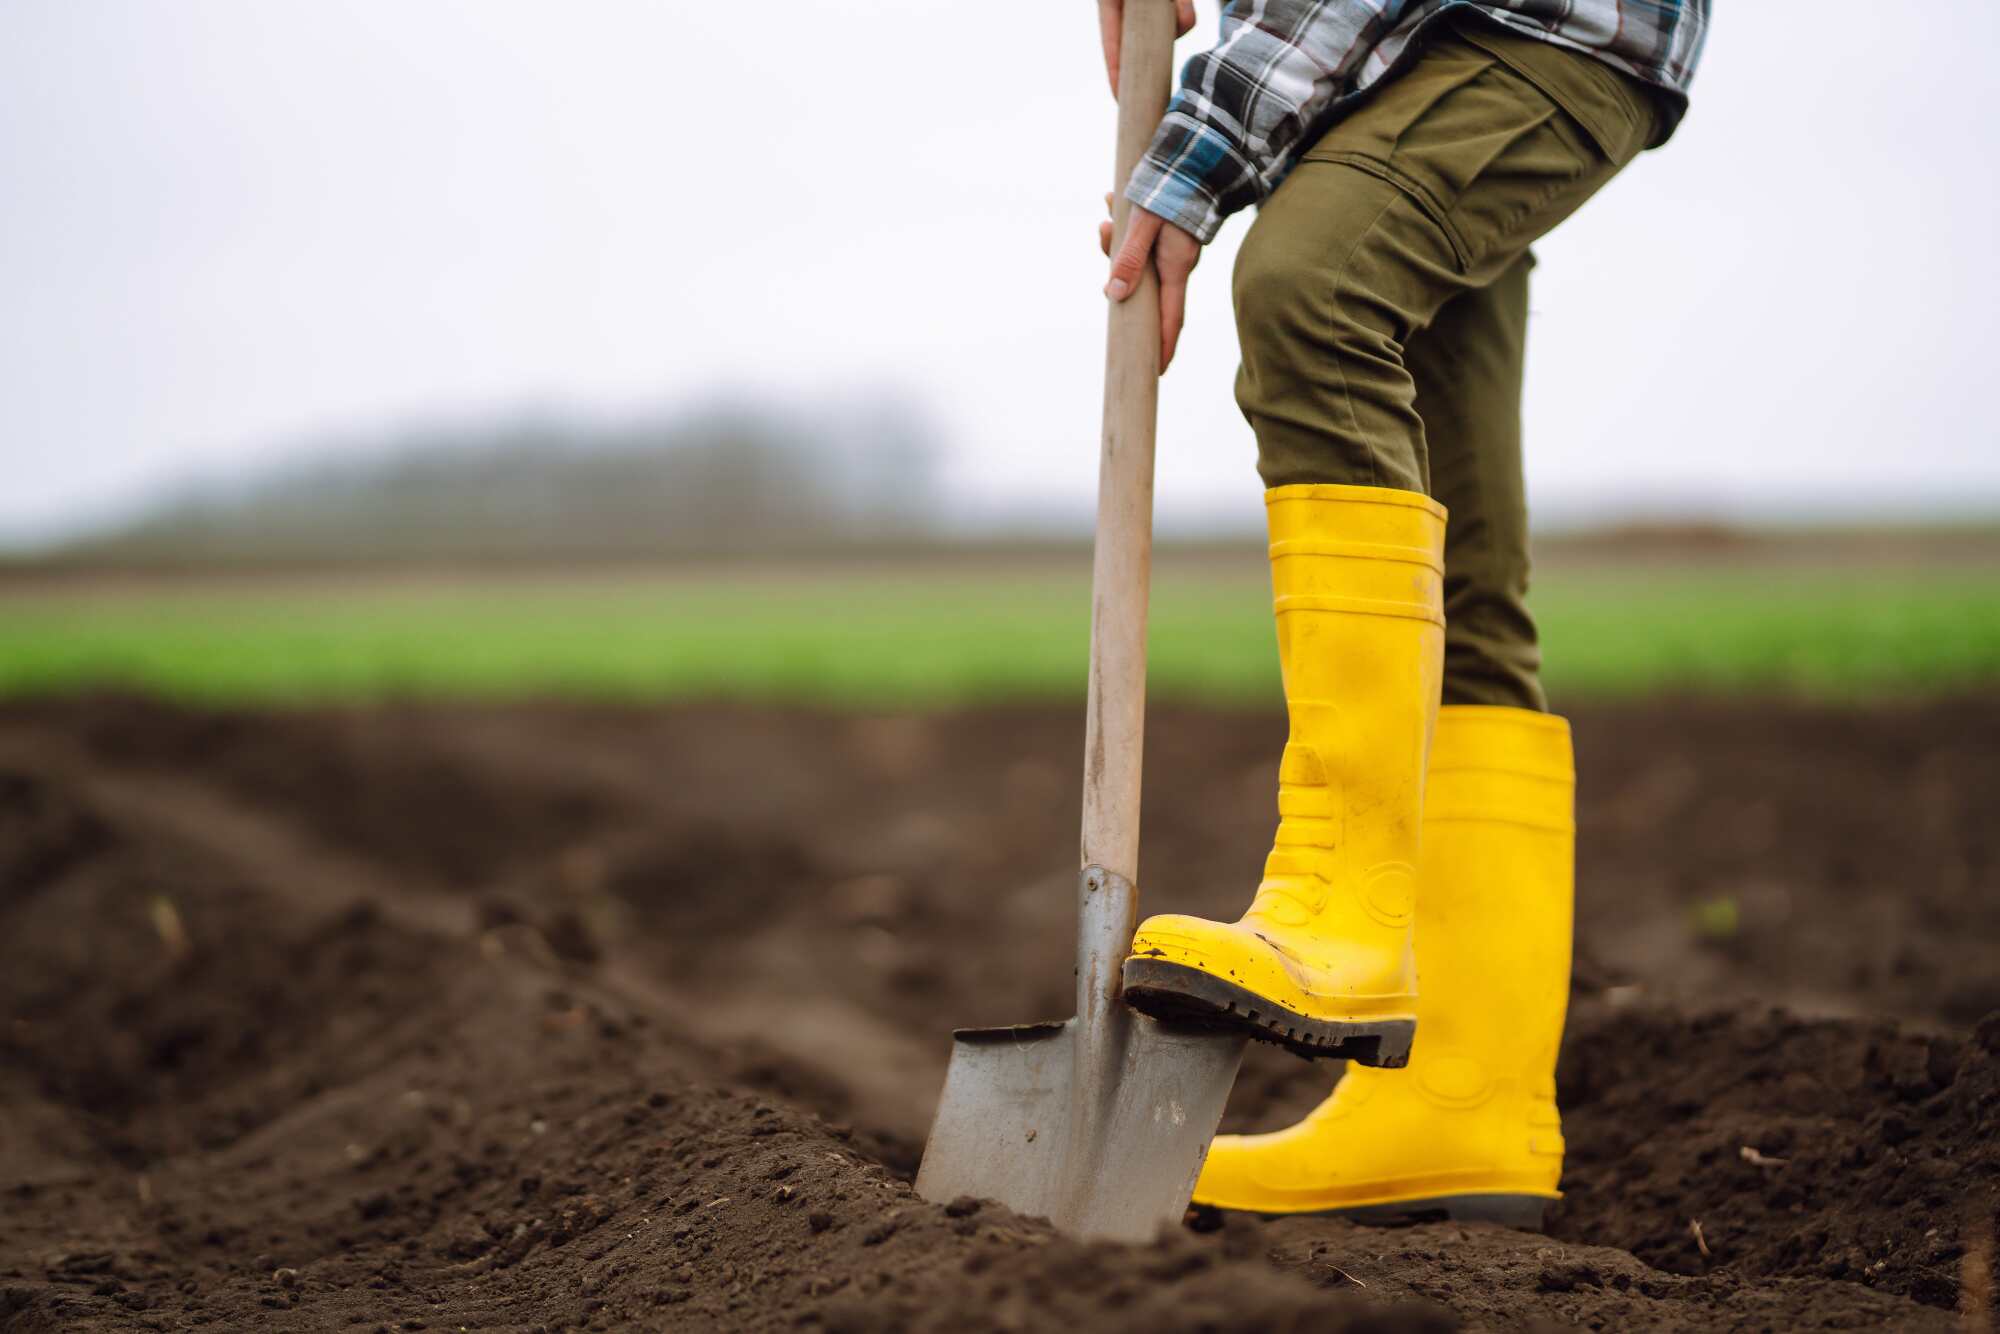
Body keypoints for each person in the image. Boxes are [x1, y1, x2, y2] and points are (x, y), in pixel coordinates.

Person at [1099, 0, 1709, 1227]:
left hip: (1536, 27)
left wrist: (1199, 146)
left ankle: (1342, 907)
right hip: (1426, 46)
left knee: (1310, 282)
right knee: (1463, 566)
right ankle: (1455, 1109)